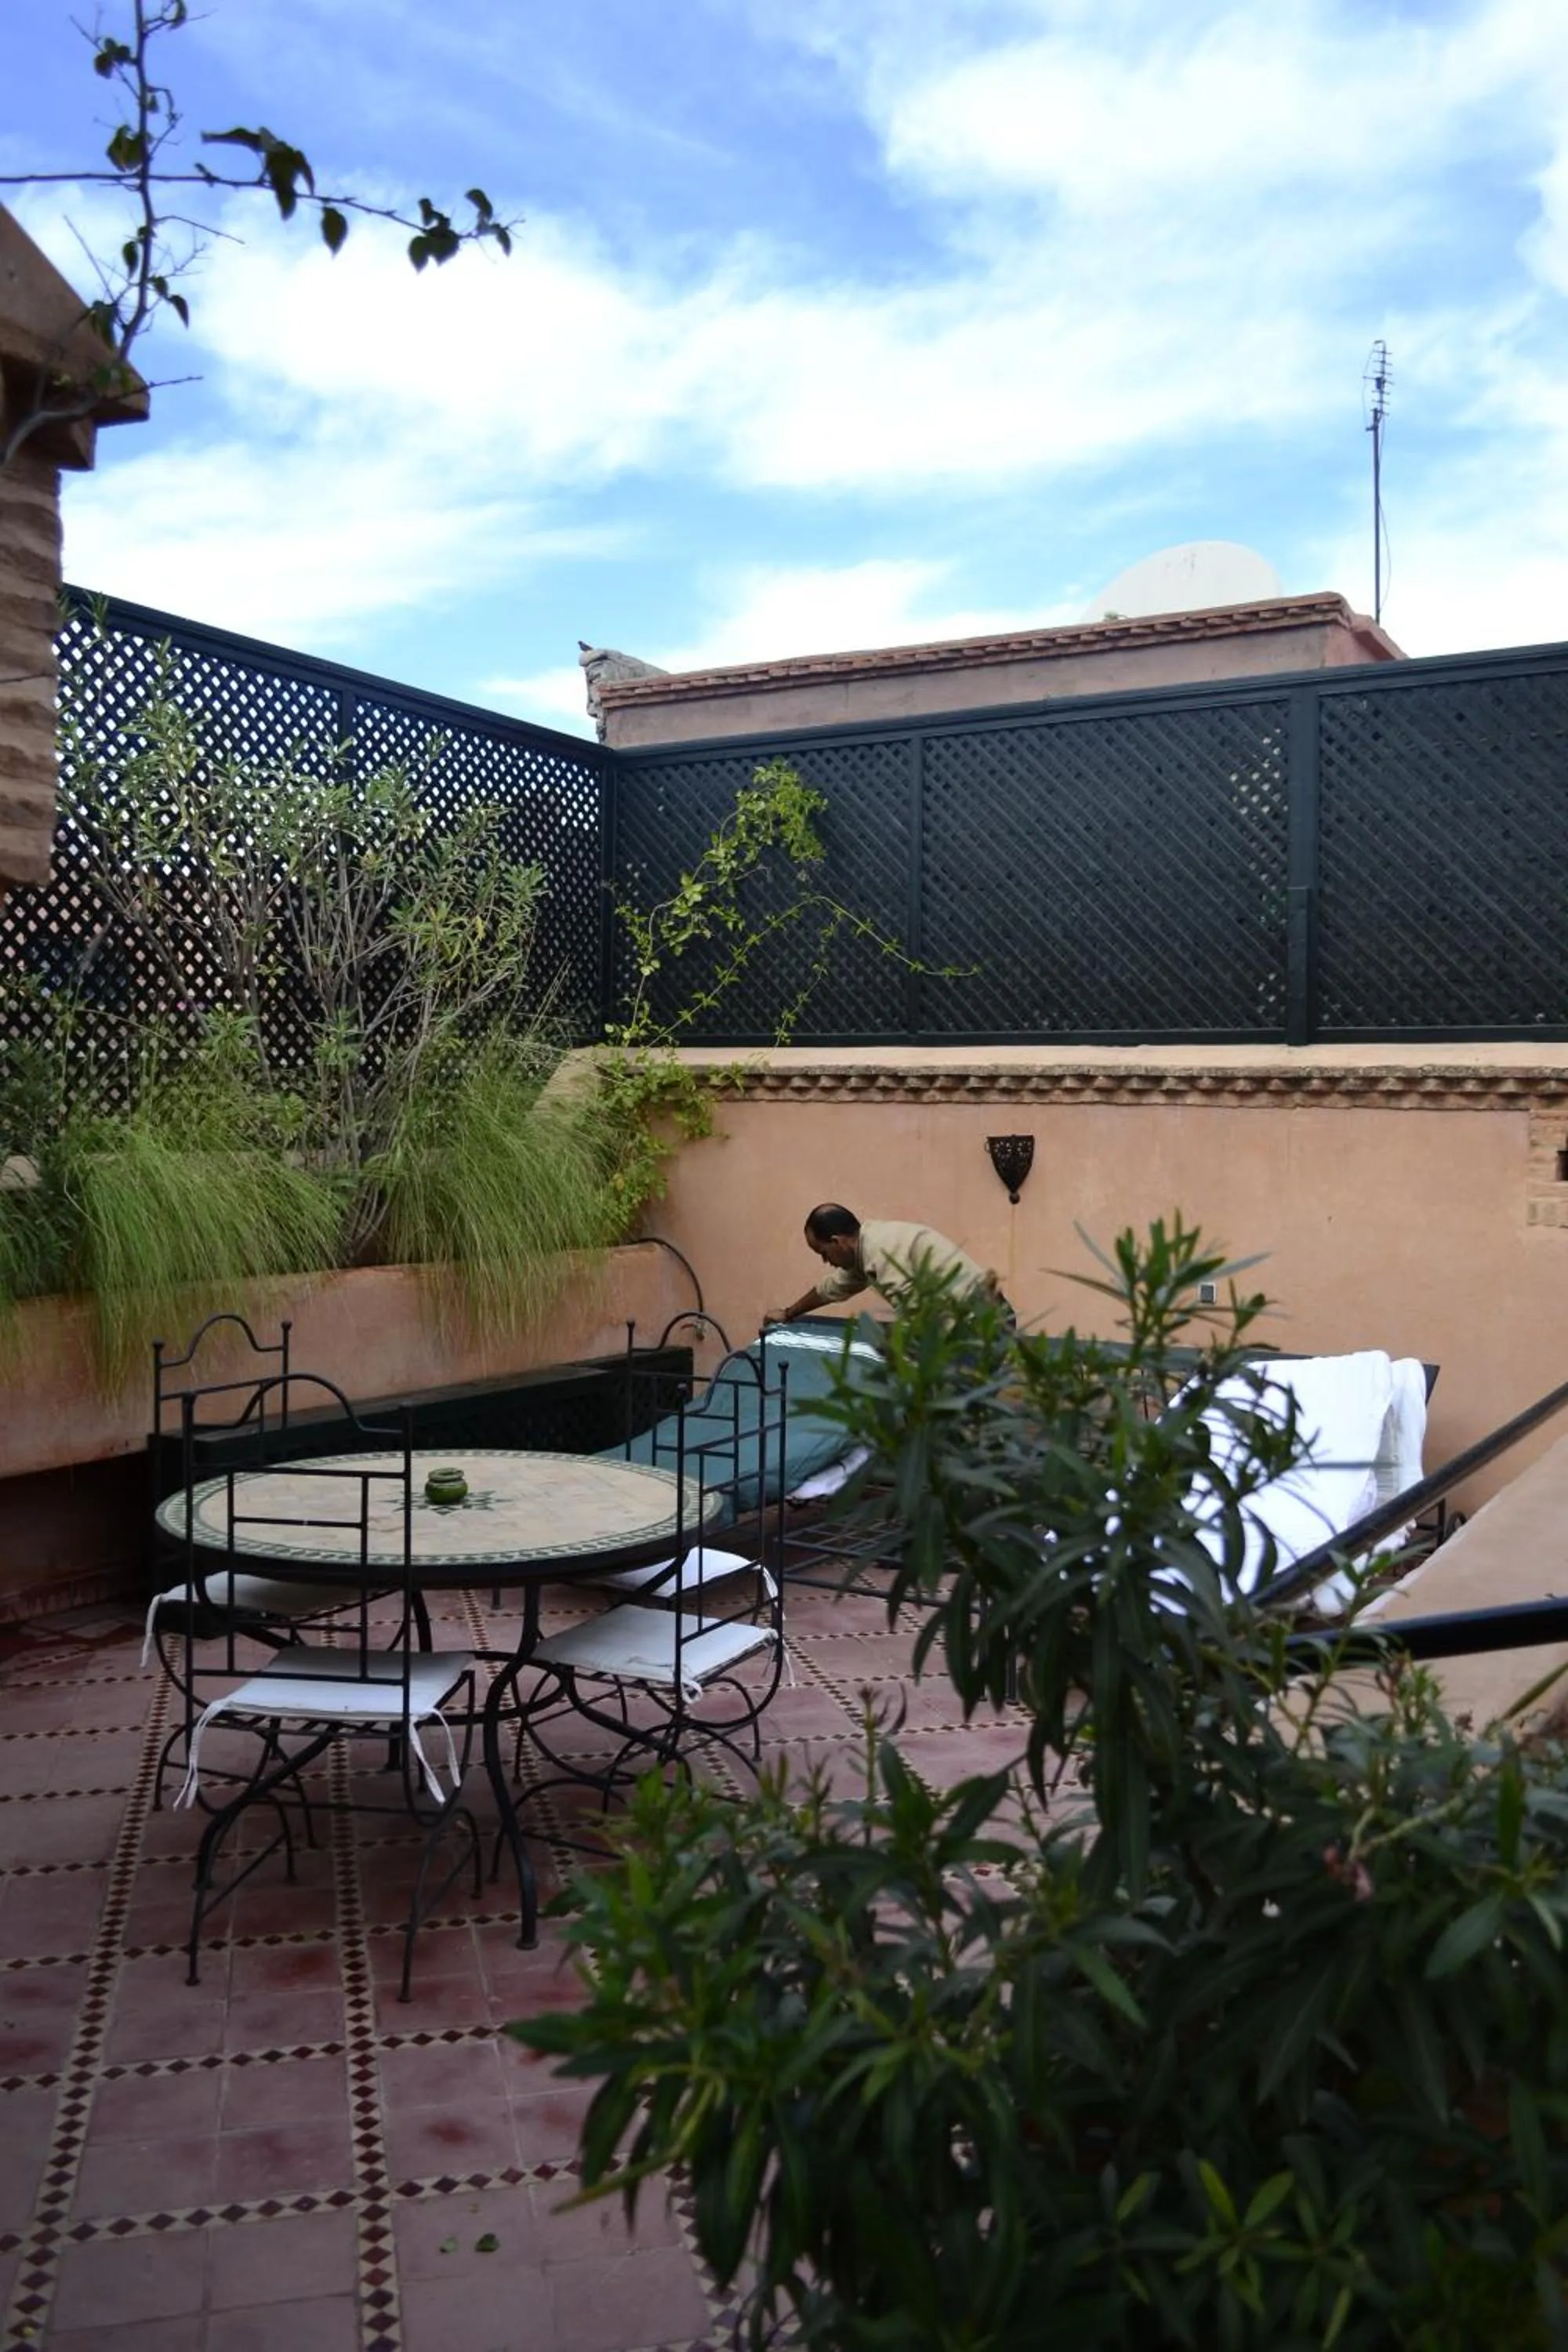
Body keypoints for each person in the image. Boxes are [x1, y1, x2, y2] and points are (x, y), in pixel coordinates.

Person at [769, 1203, 1015, 1326]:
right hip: (970, 1321)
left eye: (823, 1253)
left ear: (837, 1242)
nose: (826, 1262)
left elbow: (914, 1315)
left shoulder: (881, 1251)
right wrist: (788, 1313)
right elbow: (830, 1289)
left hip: (982, 1323)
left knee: (944, 1413)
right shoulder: (863, 1250)